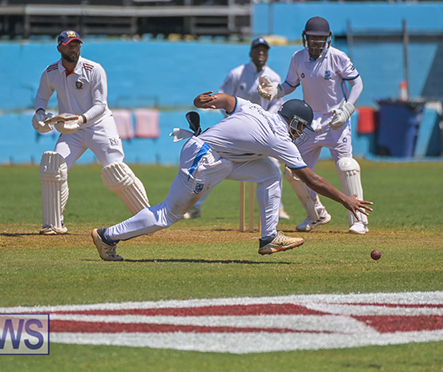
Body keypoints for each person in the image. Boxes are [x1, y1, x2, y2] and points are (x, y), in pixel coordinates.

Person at [90, 95, 373, 261]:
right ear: (294, 122)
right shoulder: (279, 137)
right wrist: (346, 200)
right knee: (167, 215)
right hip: (205, 158)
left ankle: (269, 237)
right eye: (301, 128)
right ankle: (107, 236)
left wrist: (205, 101)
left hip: (218, 159)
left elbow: (227, 100)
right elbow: (310, 178)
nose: (301, 134)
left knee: (269, 172)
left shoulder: (255, 109)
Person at [256, 16, 369, 235]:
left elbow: (357, 83)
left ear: (328, 38)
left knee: (347, 167)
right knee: (294, 172)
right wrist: (274, 91)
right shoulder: (298, 58)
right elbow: (290, 85)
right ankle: (316, 214)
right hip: (310, 123)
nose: (316, 42)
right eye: (312, 37)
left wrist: (348, 109)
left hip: (336, 119)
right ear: (305, 38)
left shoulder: (338, 57)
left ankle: (359, 221)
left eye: (320, 38)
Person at [32, 30, 150, 235]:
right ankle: (53, 224)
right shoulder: (50, 72)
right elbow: (42, 97)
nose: (74, 48)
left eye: (77, 44)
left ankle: (147, 219)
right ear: (60, 47)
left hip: (99, 126)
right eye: (69, 45)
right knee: (54, 167)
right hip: (71, 131)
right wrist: (41, 114)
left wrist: (80, 119)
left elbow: (100, 105)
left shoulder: (93, 69)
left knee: (116, 171)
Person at [183, 37, 288, 220]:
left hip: (264, 132)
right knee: (215, 164)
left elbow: (276, 104)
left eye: (264, 50)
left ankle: (278, 207)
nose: (261, 53)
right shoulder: (237, 73)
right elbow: (224, 97)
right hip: (236, 130)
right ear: (251, 53)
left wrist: (266, 123)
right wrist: (232, 120)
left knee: (273, 165)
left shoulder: (274, 77)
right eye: (258, 50)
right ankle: (195, 206)